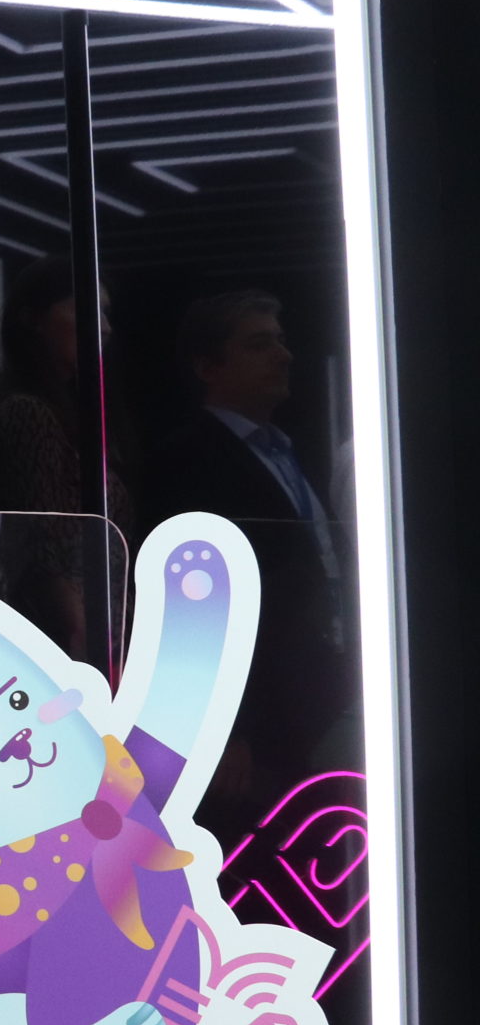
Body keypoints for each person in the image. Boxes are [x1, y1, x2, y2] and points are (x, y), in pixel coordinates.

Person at [146, 291, 347, 827]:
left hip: (314, 689)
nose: (283, 355)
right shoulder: (186, 459)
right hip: (257, 714)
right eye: (259, 344)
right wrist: (226, 726)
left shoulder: (284, 451)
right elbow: (189, 606)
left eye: (280, 341)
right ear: (207, 366)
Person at [0, 253, 131, 655]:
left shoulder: (69, 411)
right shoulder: (27, 412)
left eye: (105, 313)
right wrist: (81, 635)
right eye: (86, 309)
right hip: (60, 640)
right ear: (33, 318)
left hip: (86, 626)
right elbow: (41, 541)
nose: (104, 327)